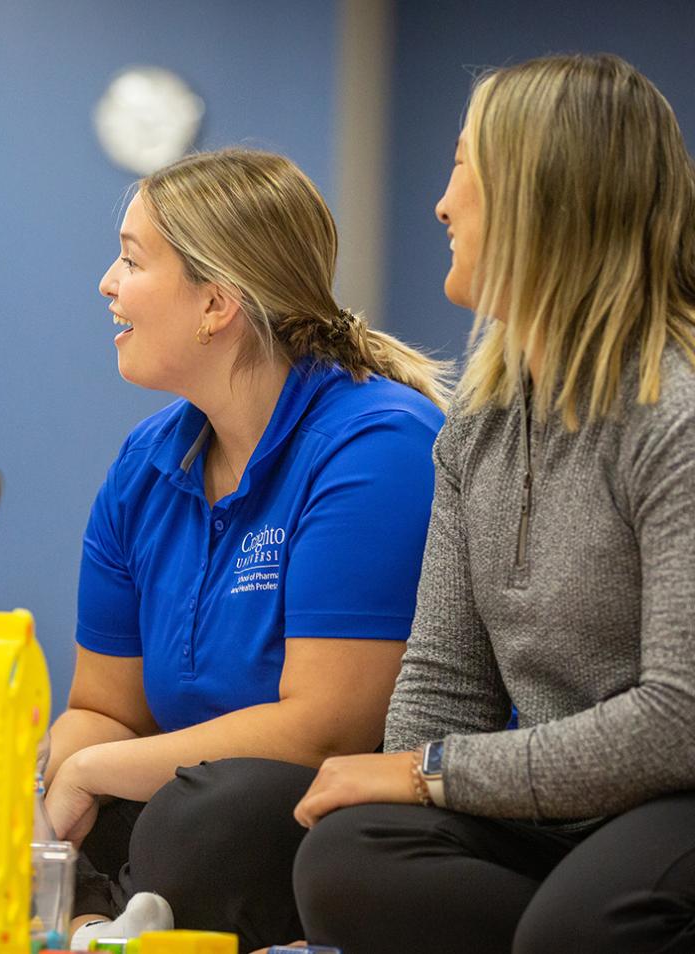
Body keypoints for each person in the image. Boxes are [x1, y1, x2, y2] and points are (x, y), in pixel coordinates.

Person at [291, 53, 695, 954]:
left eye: (465, 165)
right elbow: (443, 681)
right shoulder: (475, 425)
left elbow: (679, 719)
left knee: (586, 923)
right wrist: (408, 776)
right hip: (549, 808)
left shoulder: (677, 415)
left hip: (677, 796)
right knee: (346, 858)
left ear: (543, 195)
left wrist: (430, 775)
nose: (441, 203)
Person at [42, 148, 449, 952]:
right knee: (27, 786)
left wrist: (89, 774)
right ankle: (95, 924)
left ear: (216, 305)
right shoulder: (145, 463)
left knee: (208, 815)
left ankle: (106, 917)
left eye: (130, 260)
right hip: (180, 795)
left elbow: (324, 731)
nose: (107, 284)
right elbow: (103, 709)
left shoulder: (377, 443)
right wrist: (54, 799)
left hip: (325, 804)